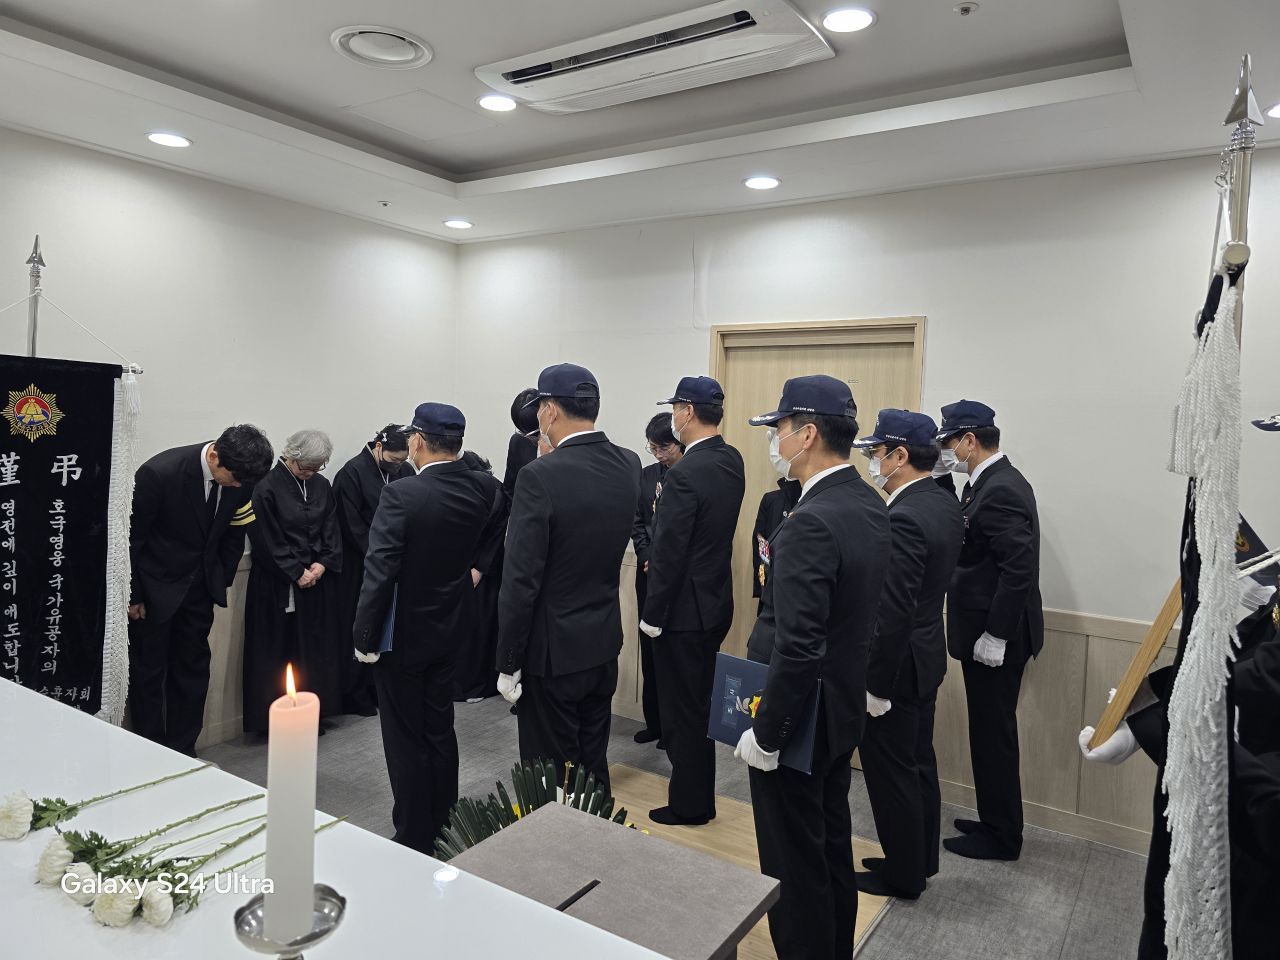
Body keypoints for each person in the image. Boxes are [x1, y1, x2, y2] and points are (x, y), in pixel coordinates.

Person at [735, 375, 890, 960]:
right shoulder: (866, 503)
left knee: (793, 864)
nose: (773, 440)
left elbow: (798, 645)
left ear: (807, 435)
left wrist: (767, 734)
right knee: (827, 849)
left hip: (799, 721)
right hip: (838, 709)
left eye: (778, 428)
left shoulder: (811, 520)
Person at [352, 404, 505, 854]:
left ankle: (414, 833)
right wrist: (476, 568)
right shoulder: (484, 487)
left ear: (417, 441)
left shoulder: (403, 494)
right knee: (439, 727)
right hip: (452, 626)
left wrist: (364, 636)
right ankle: (445, 821)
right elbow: (500, 524)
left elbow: (379, 570)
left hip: (401, 634)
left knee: (404, 737)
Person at [496, 363, 641, 792]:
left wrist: (508, 660)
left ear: (549, 411)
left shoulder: (539, 475)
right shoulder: (629, 463)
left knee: (548, 776)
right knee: (592, 762)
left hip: (551, 652)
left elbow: (520, 580)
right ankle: (597, 831)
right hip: (602, 640)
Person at [851, 409, 964, 899]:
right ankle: (917, 860)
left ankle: (902, 875)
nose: (873, 463)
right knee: (918, 764)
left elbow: (892, 610)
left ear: (900, 456)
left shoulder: (904, 516)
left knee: (892, 771)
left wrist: (875, 685)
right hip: (924, 656)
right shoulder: (941, 503)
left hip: (897, 665)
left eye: (877, 452)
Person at [937, 400, 1043, 861]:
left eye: (948, 443)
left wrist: (997, 634)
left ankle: (1002, 837)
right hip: (985, 633)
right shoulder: (984, 483)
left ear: (969, 440)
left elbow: (1018, 569)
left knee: (993, 736)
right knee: (986, 732)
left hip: (996, 638)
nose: (945, 452)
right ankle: (993, 819)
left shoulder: (1000, 488)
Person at [127, 425, 273, 755]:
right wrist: (133, 595)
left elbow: (235, 531)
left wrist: (219, 580)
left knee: (192, 672)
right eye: (234, 479)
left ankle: (184, 750)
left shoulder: (242, 477)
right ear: (215, 456)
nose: (239, 487)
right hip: (154, 593)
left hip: (200, 591)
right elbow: (132, 540)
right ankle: (150, 751)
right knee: (148, 674)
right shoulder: (159, 473)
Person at [640, 376, 745, 825]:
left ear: (686, 412)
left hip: (681, 612)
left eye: (675, 410)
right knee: (699, 706)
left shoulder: (684, 473)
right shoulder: (731, 459)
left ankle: (690, 804)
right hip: (714, 602)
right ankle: (697, 797)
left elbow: (669, 552)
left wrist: (652, 615)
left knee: (682, 713)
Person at [243, 430, 344, 735]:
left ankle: (314, 711)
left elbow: (331, 526)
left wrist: (322, 563)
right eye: (306, 467)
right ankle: (277, 719)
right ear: (291, 456)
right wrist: (295, 571)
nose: (311, 473)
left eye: (317, 467)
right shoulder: (265, 487)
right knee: (280, 649)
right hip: (278, 582)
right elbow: (265, 538)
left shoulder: (321, 485)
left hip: (317, 579)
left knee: (316, 648)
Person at [332, 425, 409, 716]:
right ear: (379, 446)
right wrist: (379, 557)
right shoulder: (352, 473)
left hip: (394, 564)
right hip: (361, 564)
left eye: (403, 460)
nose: (398, 465)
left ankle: (379, 688)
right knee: (359, 625)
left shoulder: (404, 471)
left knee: (387, 627)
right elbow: (351, 525)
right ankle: (355, 693)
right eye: (393, 459)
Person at [629, 412, 684, 746]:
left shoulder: (691, 474)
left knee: (672, 656)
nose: (660, 455)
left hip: (675, 579)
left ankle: (674, 728)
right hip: (648, 574)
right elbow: (637, 521)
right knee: (649, 652)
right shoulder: (647, 476)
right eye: (654, 448)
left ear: (679, 443)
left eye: (665, 448)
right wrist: (646, 555)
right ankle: (655, 723)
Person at [453, 450, 509, 702]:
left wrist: (479, 568)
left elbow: (495, 534)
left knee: (478, 627)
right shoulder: (481, 488)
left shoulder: (494, 492)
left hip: (483, 569)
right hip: (467, 567)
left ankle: (474, 685)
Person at [751, 474, 802, 614]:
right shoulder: (771, 500)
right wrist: (763, 586)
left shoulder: (815, 500)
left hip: (801, 593)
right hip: (770, 591)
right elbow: (759, 543)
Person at [502, 387, 541, 500]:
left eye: (534, 434)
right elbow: (509, 488)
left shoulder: (563, 443)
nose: (530, 439)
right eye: (523, 433)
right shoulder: (518, 441)